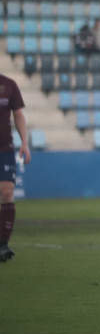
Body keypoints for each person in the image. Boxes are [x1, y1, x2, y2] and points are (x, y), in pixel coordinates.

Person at [0, 73, 29, 262]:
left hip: (4, 149)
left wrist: (25, 142)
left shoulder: (8, 85)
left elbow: (18, 114)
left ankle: (3, 244)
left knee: (7, 191)